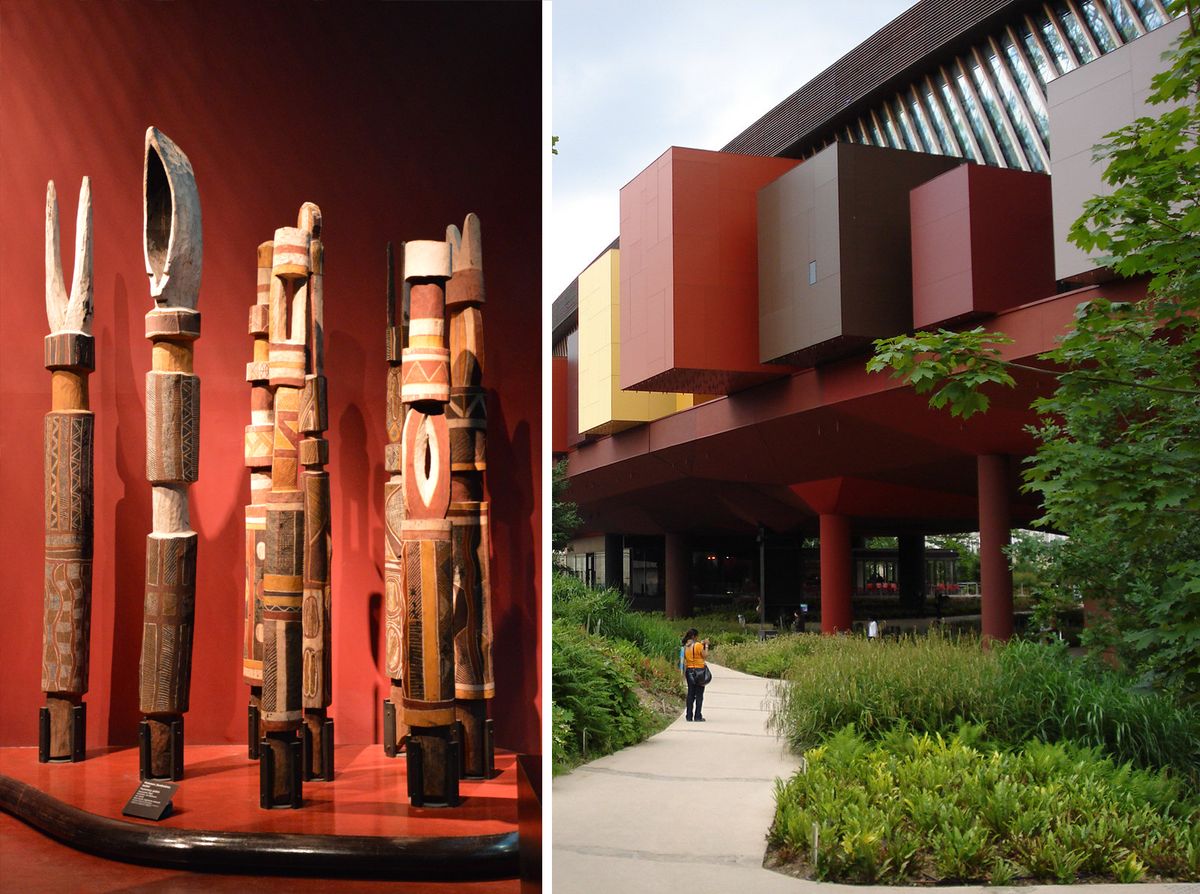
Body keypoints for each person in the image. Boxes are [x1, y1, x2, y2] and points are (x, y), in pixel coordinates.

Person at [680, 628, 709, 722]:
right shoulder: (698, 645)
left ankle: (689, 716)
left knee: (691, 693)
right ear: (694, 636)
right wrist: (706, 645)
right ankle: (697, 716)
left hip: (689, 671)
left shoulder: (685, 646)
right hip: (699, 671)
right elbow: (705, 655)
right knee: (699, 694)